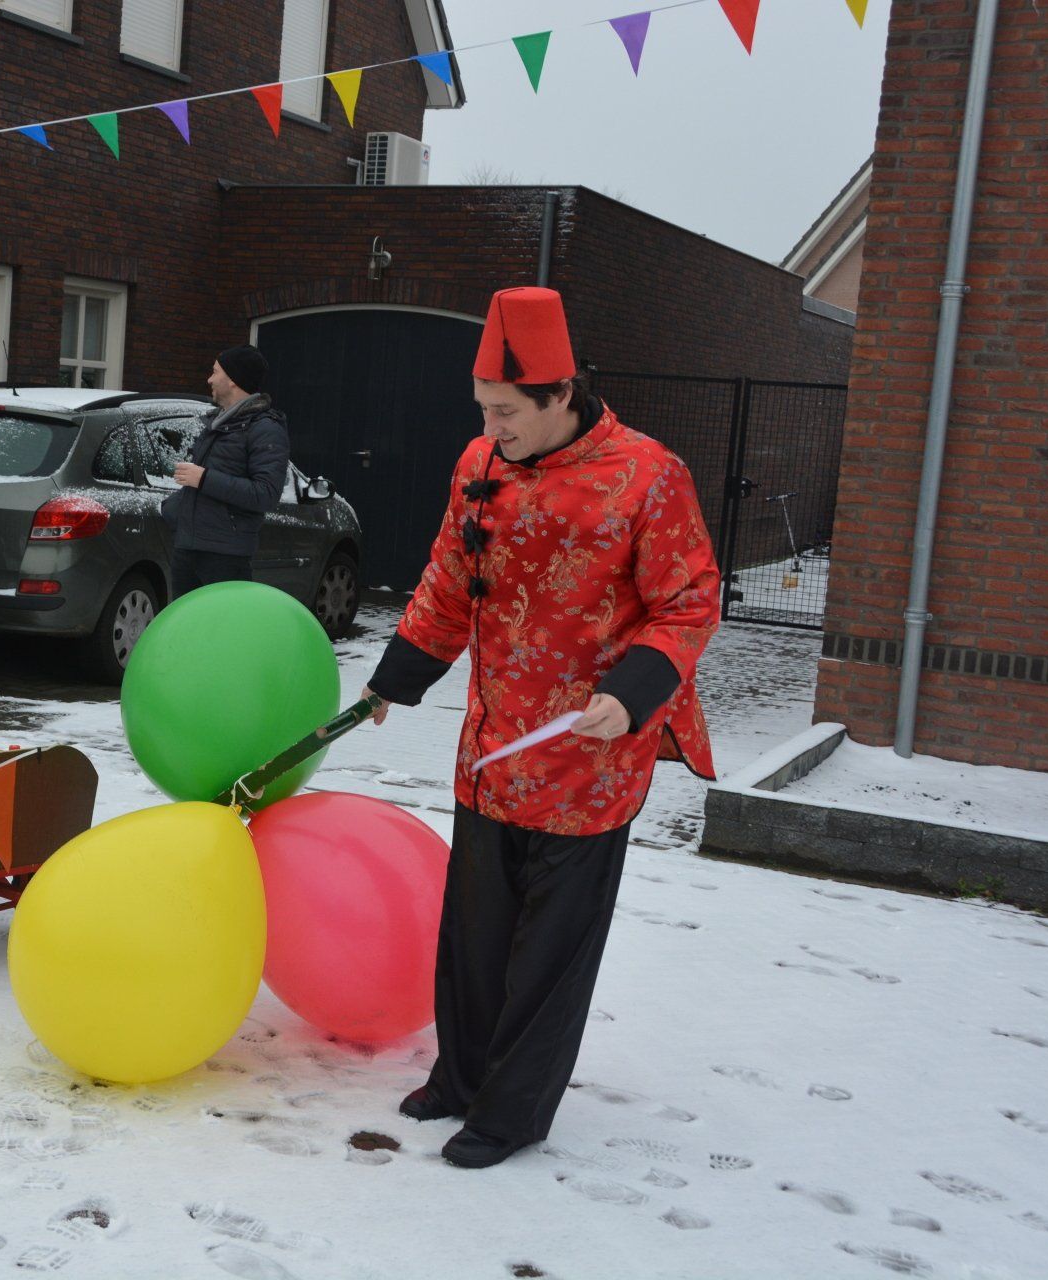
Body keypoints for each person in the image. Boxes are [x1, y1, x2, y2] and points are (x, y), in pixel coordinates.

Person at [361, 286, 720, 1169]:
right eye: (482, 408)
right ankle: (460, 1079)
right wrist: (394, 680)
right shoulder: (479, 463)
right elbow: (449, 578)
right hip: (492, 748)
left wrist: (634, 693)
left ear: (561, 393)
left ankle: (510, 1113)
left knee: (549, 954)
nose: (490, 427)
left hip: (590, 756)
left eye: (506, 411)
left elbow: (689, 600)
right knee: (475, 934)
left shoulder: (647, 475)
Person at [161, 344, 290, 596]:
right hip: (188, 549)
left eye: (215, 371)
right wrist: (170, 509)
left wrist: (203, 478)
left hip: (226, 557)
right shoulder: (217, 423)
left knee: (220, 622)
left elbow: (265, 494)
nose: (209, 379)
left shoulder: (265, 429)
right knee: (186, 621)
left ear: (233, 379)